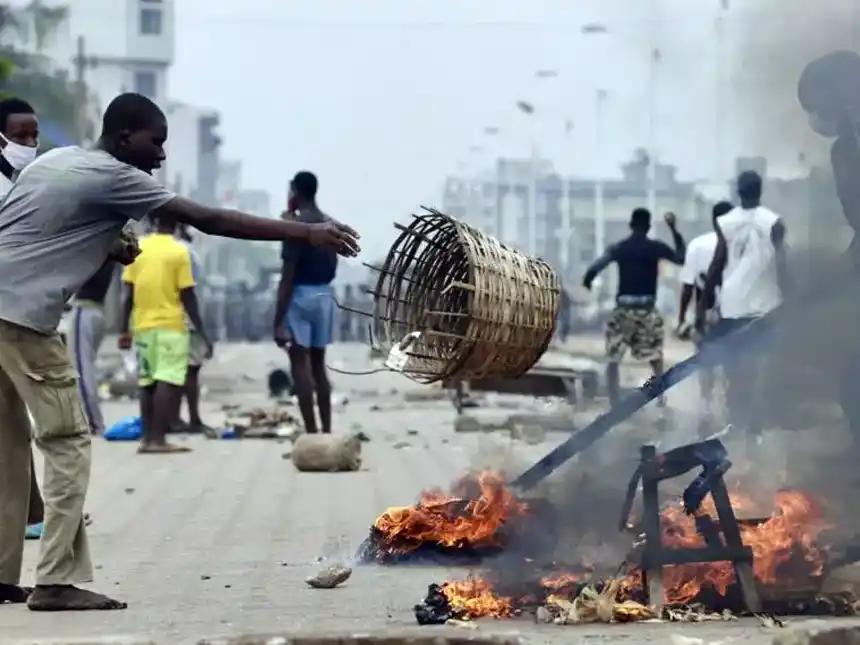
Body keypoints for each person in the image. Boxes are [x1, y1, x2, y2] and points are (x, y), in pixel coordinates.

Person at [0, 92, 359, 612]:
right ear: (125, 138)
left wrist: (108, 242)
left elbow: (30, 225)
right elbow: (211, 218)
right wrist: (308, 232)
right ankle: (56, 580)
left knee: (8, 446)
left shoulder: (59, 159)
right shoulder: (115, 174)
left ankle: (2, 575)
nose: (161, 157)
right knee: (67, 441)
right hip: (24, 319)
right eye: (156, 143)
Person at [697, 171, 787, 444]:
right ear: (760, 190)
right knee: (759, 364)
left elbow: (717, 264)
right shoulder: (774, 223)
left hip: (733, 305)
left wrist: (703, 304)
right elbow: (782, 264)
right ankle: (753, 429)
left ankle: (738, 423)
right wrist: (791, 296)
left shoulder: (725, 222)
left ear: (738, 191)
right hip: (765, 306)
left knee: (735, 368)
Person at [120, 215, 212, 453]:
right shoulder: (179, 251)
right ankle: (159, 440)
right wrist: (202, 332)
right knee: (167, 380)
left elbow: (127, 294)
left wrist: (124, 330)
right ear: (178, 224)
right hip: (170, 326)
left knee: (147, 382)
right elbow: (188, 297)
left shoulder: (138, 247)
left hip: (142, 327)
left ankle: (147, 439)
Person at [582, 208, 685, 407]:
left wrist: (588, 279)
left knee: (613, 357)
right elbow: (680, 258)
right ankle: (660, 397)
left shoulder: (621, 247)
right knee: (654, 356)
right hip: (646, 308)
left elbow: (596, 267)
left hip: (624, 309)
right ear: (648, 227)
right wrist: (674, 230)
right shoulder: (654, 248)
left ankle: (613, 401)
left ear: (632, 225)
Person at [273, 171, 337, 434]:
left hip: (299, 295)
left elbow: (287, 276)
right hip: (325, 294)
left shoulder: (295, 229)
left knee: (300, 364)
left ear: (295, 192)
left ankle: (311, 431)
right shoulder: (329, 224)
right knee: (319, 365)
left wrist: (278, 321)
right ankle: (327, 429)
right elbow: (333, 266)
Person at [677, 200, 734, 409]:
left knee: (706, 360)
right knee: (735, 360)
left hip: (706, 311)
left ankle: (706, 405)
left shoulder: (697, 245)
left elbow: (688, 286)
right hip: (735, 313)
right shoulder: (743, 245)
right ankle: (733, 408)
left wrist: (683, 318)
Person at [172, 223, 215, 436]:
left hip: (171, 317)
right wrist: (203, 331)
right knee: (191, 370)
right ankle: (192, 419)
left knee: (176, 370)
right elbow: (188, 294)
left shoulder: (168, 248)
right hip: (186, 318)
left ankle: (174, 418)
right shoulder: (184, 251)